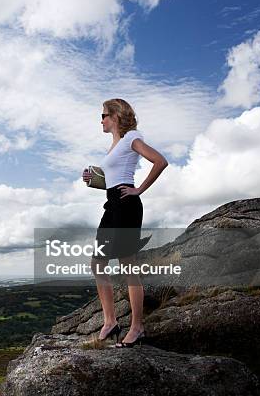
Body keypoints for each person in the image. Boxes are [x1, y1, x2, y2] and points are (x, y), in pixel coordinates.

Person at [82, 98, 168, 347]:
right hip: (112, 204)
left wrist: (138, 189)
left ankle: (138, 326)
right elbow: (112, 180)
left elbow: (160, 161)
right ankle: (110, 322)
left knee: (127, 265)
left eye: (104, 115)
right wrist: (94, 179)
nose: (101, 120)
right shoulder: (115, 145)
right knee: (97, 263)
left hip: (126, 205)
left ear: (116, 116)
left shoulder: (132, 138)